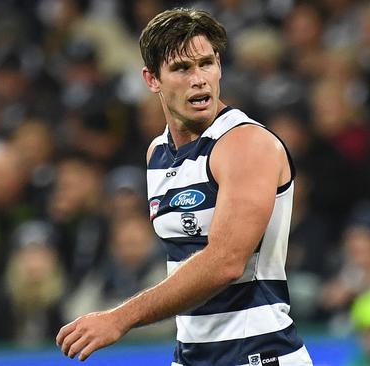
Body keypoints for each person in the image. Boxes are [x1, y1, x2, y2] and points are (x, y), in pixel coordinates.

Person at [57, 8, 313, 365]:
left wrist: (120, 318)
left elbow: (225, 262)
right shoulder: (157, 153)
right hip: (192, 356)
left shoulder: (246, 144)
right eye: (181, 68)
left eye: (206, 63)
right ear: (152, 79)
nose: (199, 79)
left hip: (258, 354)